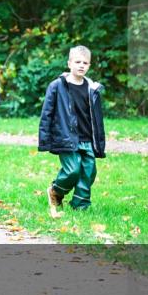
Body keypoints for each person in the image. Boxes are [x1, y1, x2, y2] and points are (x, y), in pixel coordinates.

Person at [38, 45, 107, 216]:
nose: (81, 65)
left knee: (88, 172)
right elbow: (46, 113)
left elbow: (97, 118)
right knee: (72, 170)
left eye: (85, 62)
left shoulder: (93, 89)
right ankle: (56, 191)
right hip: (66, 137)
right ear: (69, 63)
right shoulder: (57, 86)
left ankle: (80, 207)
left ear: (89, 66)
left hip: (87, 139)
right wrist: (45, 139)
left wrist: (99, 141)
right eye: (77, 62)